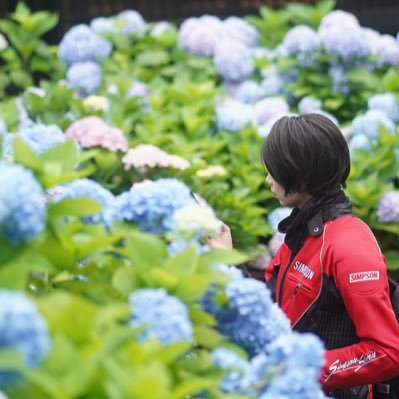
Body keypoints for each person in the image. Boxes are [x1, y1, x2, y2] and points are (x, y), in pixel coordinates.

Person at [207, 113, 399, 399]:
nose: (268, 179)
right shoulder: (303, 229)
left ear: (303, 177)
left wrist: (299, 367)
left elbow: (387, 352)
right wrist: (227, 259)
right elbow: (271, 301)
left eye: (275, 171)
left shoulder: (349, 245)